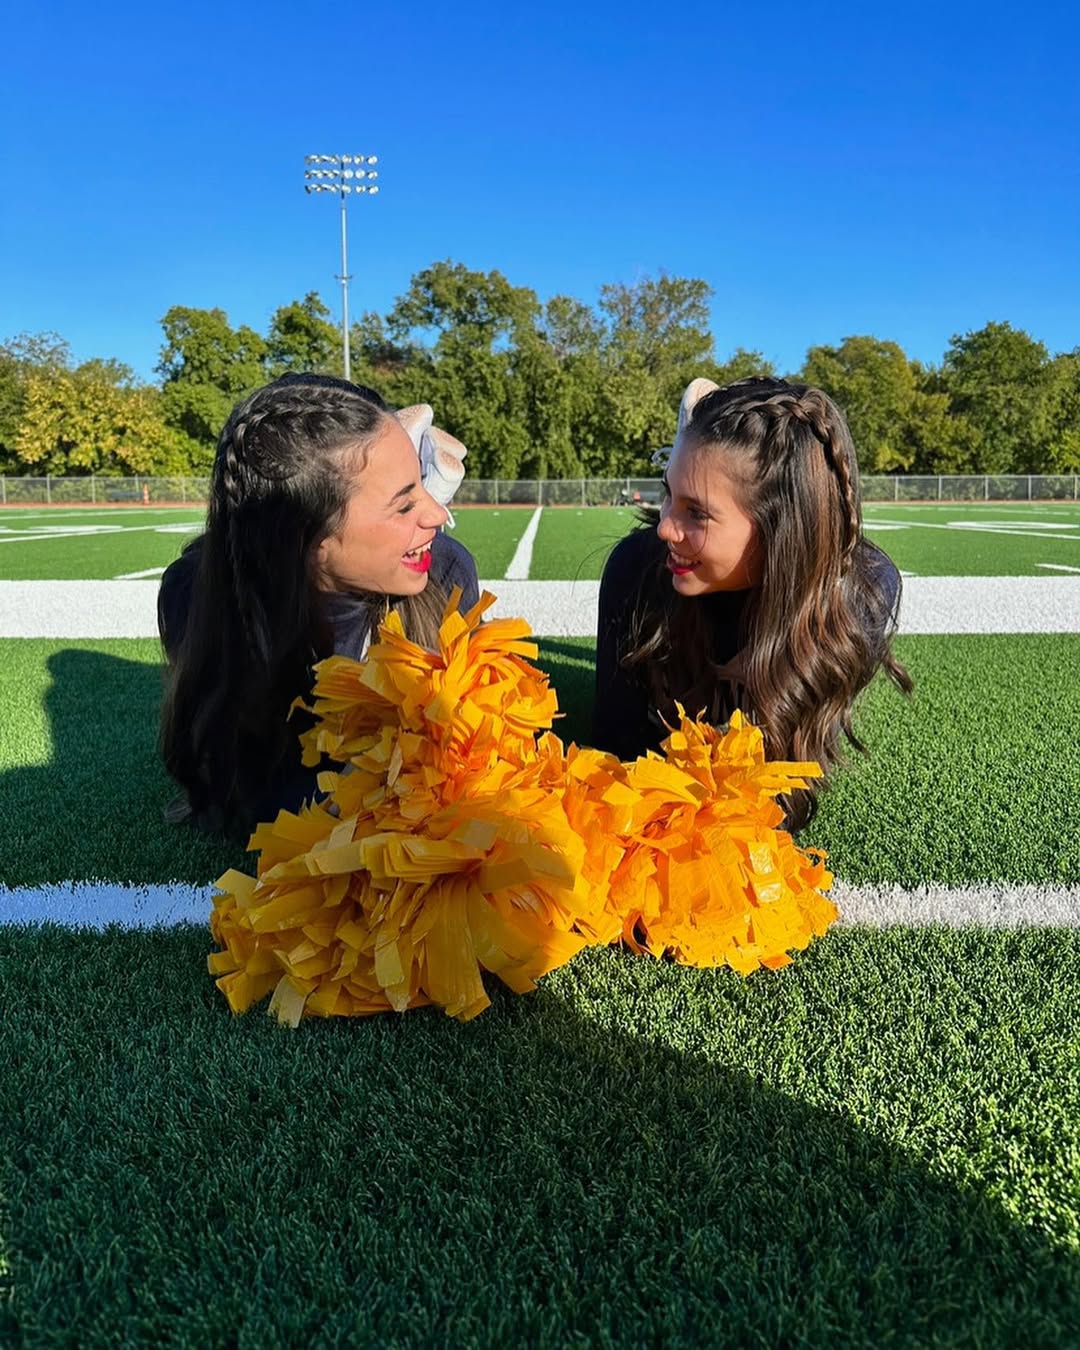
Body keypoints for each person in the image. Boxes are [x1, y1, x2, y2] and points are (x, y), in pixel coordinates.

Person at [158, 373, 479, 836]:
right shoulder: (193, 594)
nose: (439, 514)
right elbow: (246, 795)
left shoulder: (445, 575)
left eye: (422, 490)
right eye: (404, 505)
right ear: (309, 541)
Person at [594, 376, 912, 830]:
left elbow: (786, 783)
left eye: (696, 512)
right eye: (668, 495)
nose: (664, 527)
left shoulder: (864, 591)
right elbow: (616, 752)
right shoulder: (638, 568)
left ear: (780, 530)